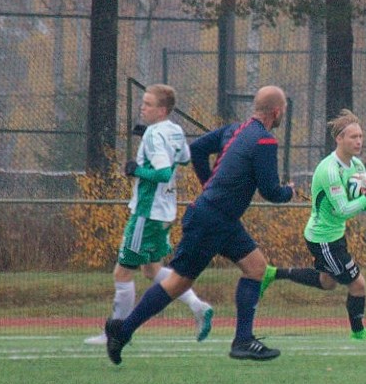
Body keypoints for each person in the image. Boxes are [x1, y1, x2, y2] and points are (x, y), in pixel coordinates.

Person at [104, 85, 295, 364]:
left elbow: (197, 149)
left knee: (256, 269)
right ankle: (122, 332)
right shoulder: (265, 141)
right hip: (211, 220)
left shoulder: (234, 130)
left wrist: (208, 184)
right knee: (177, 283)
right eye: (284, 111)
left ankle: (243, 341)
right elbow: (271, 191)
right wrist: (289, 191)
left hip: (222, 219)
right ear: (276, 112)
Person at [85, 84, 214, 345]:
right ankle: (198, 306)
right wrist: (152, 138)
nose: (142, 107)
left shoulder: (155, 134)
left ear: (162, 110)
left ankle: (116, 333)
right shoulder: (174, 129)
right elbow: (185, 158)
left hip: (147, 212)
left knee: (122, 273)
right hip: (165, 212)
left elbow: (163, 173)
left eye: (148, 104)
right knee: (151, 269)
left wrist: (136, 170)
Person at [259, 108, 366, 341]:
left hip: (334, 235)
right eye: (353, 136)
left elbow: (365, 207)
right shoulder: (329, 170)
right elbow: (342, 210)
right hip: (323, 239)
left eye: (360, 136)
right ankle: (359, 332)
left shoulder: (357, 166)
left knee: (327, 282)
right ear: (339, 138)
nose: (359, 141)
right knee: (358, 285)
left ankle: (273, 273)